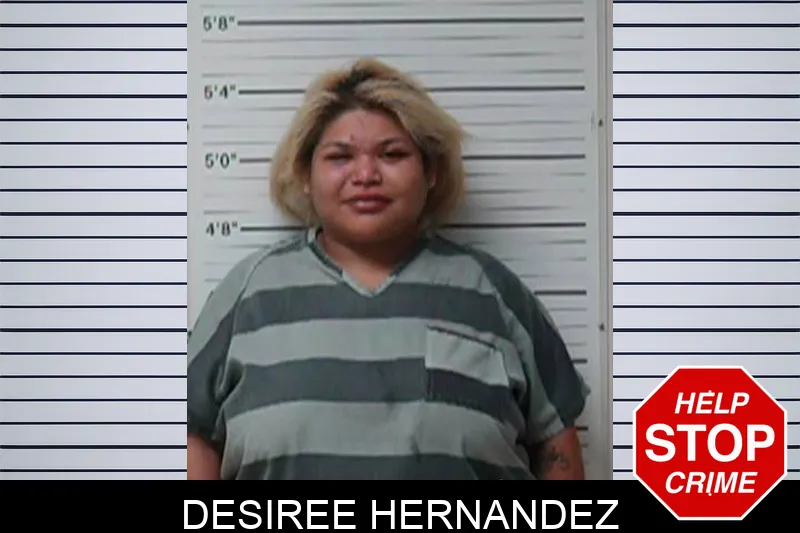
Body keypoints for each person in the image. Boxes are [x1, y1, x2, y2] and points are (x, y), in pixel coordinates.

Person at [187, 57, 590, 480]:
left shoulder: (495, 291)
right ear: (306, 174)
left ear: (430, 171)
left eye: (392, 154)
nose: (365, 174)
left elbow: (556, 443)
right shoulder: (247, 292)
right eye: (340, 156)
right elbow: (193, 436)